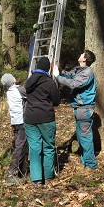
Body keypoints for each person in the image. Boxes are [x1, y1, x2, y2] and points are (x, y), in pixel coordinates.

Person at [53, 50, 98, 170]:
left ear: (84, 59)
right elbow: (70, 75)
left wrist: (57, 77)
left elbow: (73, 83)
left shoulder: (87, 73)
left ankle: (90, 164)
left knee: (85, 136)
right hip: (79, 108)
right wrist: (59, 71)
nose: (79, 55)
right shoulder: (80, 70)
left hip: (84, 108)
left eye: (82, 54)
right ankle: (85, 159)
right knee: (81, 134)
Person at [24, 57, 60, 185]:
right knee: (48, 147)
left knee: (34, 148)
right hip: (46, 118)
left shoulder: (29, 81)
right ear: (48, 68)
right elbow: (56, 101)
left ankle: (37, 179)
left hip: (29, 118)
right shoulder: (49, 82)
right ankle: (49, 176)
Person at [1, 73, 28, 185]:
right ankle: (11, 174)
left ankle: (21, 171)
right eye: (12, 76)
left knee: (20, 145)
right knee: (20, 147)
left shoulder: (9, 92)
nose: (14, 76)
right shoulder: (19, 90)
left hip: (15, 122)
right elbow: (31, 94)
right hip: (21, 122)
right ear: (12, 81)